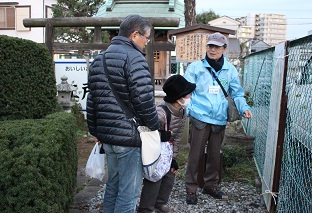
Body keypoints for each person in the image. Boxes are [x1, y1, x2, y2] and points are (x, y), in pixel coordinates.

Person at [86, 14, 159, 213]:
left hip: (107, 137)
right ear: (135, 35)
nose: (146, 42)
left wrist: (95, 130)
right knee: (129, 193)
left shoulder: (99, 59)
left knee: (113, 186)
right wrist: (155, 127)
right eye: (147, 38)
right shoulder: (134, 58)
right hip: (128, 138)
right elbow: (144, 99)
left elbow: (92, 99)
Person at [184, 32, 253, 204]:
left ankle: (211, 185)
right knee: (195, 155)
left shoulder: (230, 70)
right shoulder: (195, 67)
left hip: (219, 118)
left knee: (215, 155)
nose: (212, 50)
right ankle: (191, 189)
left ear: (224, 49)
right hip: (200, 116)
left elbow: (237, 93)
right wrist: (190, 110)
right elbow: (186, 92)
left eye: (216, 47)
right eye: (210, 46)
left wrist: (244, 107)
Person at [138, 74, 196, 213]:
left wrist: (173, 159)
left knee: (170, 175)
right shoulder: (161, 113)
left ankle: (160, 203)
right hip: (155, 152)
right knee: (155, 179)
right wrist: (159, 135)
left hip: (168, 151)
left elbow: (176, 138)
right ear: (179, 96)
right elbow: (144, 131)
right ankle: (145, 208)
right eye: (188, 94)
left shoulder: (182, 111)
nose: (190, 97)